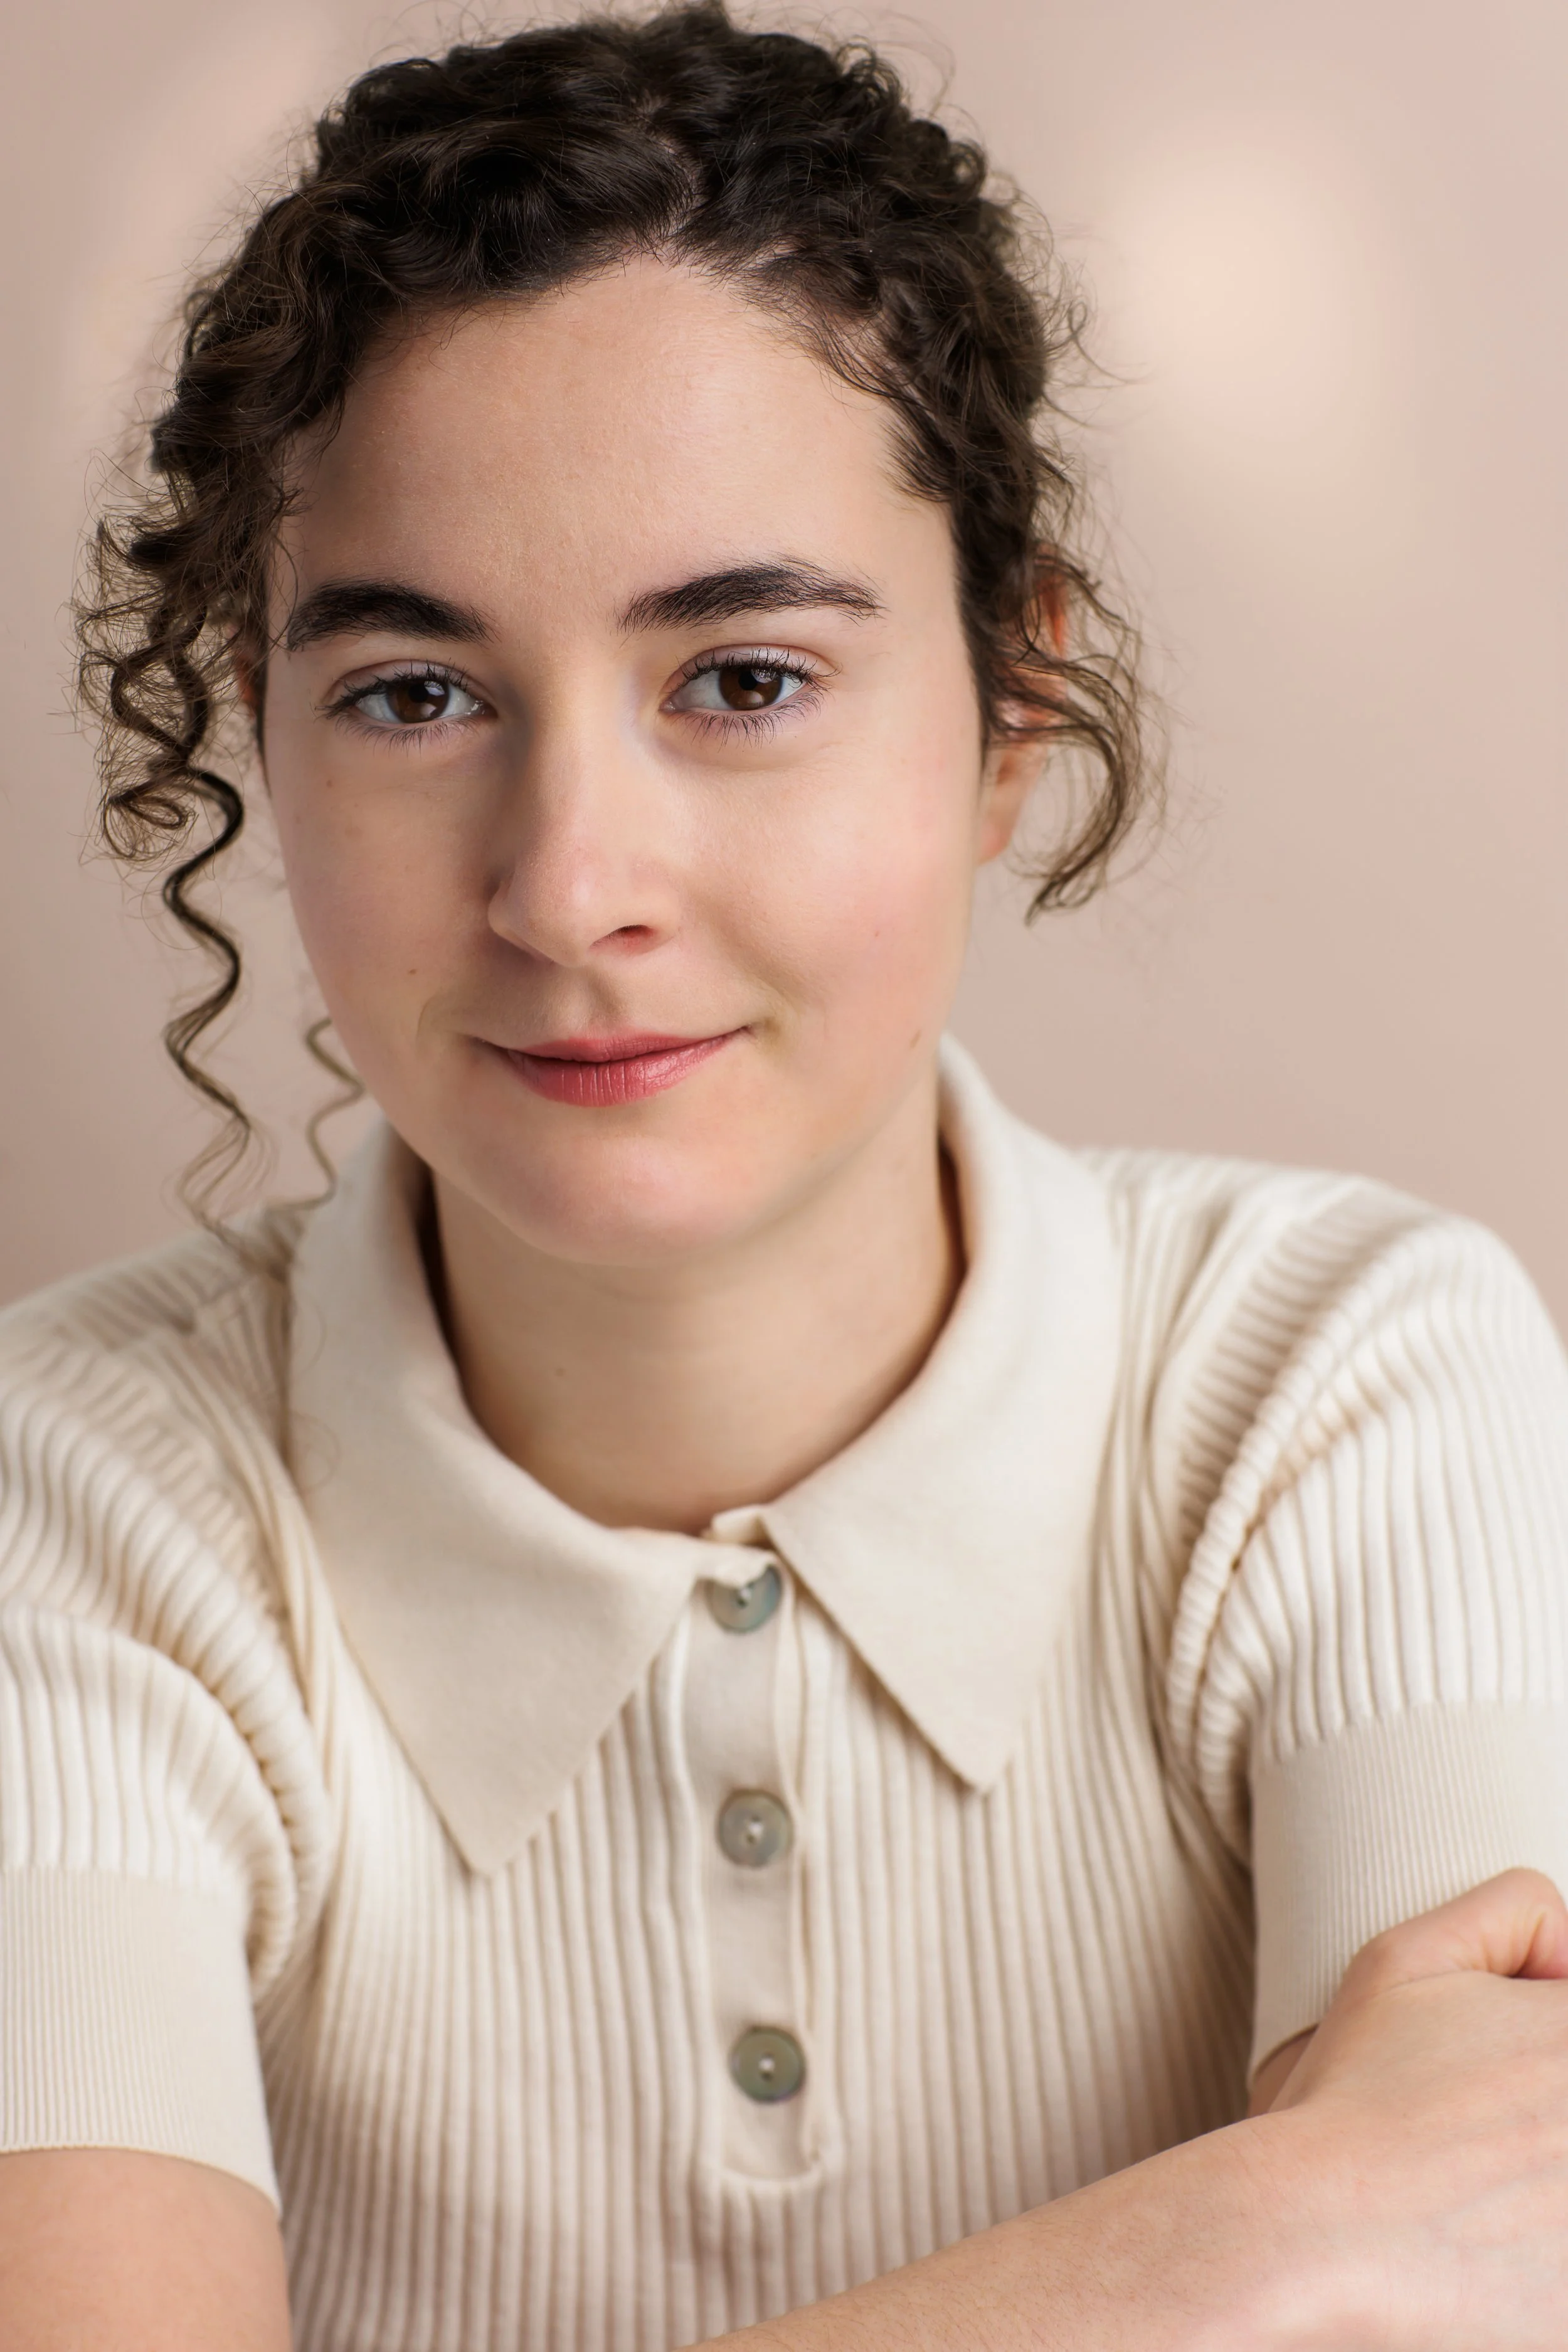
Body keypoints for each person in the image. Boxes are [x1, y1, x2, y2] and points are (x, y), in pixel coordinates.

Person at [3, 6, 1568, 2346]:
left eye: (740, 677)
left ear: (1008, 715)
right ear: (269, 727)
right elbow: (1407, 2252)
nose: (569, 886)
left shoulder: (1345, 1375)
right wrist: (1259, 2234)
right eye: (414, 692)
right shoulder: (64, 1497)